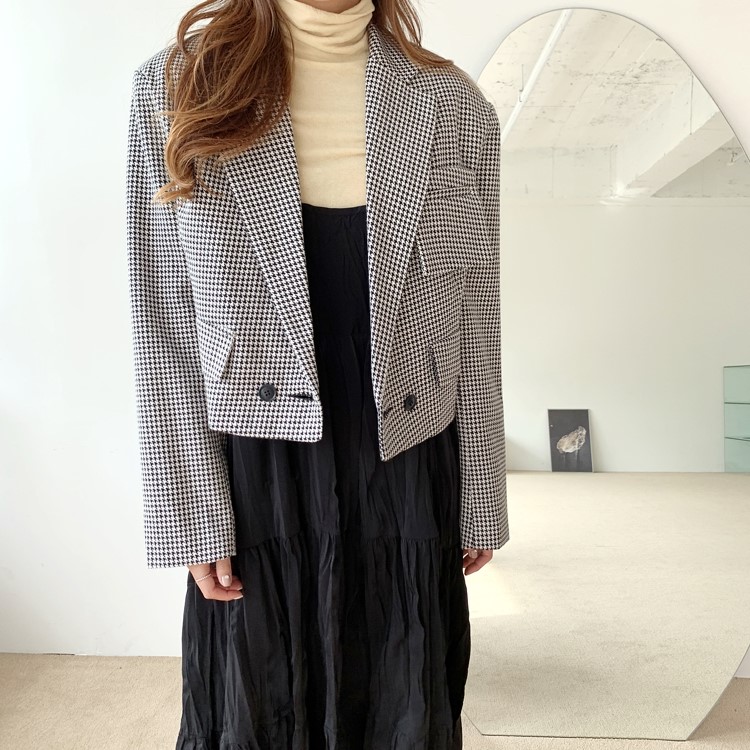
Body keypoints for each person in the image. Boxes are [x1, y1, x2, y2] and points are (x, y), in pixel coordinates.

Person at [125, 0, 508, 747]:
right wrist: (191, 512)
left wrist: (481, 495)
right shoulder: (180, 83)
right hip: (255, 463)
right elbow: (163, 314)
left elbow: (476, 314)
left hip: (407, 455)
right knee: (262, 704)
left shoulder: (454, 102)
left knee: (400, 698)